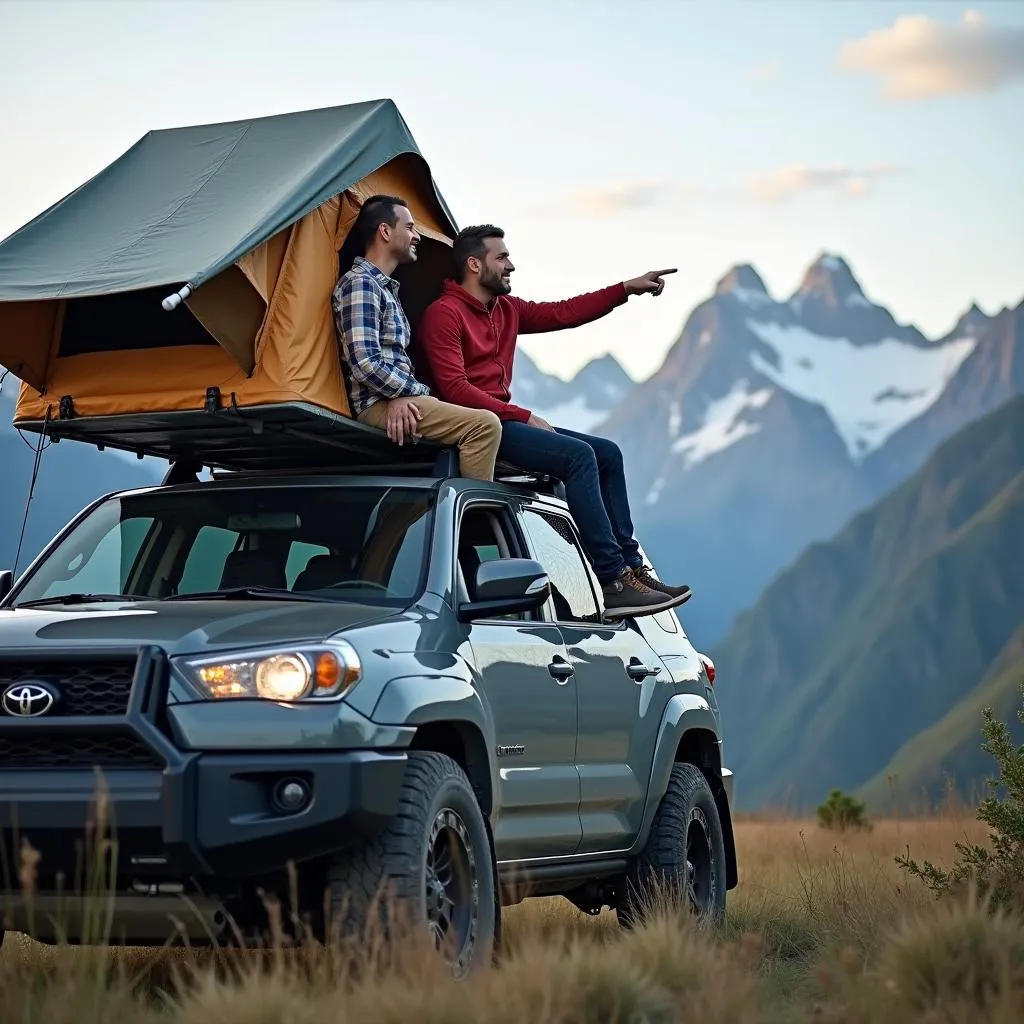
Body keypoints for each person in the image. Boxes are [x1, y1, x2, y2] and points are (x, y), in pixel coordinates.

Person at [416, 223, 692, 621]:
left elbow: (564, 313)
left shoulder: (506, 309)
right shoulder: (444, 315)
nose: (511, 265)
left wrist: (625, 289)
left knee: (608, 455)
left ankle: (632, 571)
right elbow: (455, 389)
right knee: (579, 457)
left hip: (506, 421)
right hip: (478, 428)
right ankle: (612, 581)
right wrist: (523, 415)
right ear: (474, 265)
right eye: (502, 257)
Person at [331, 196, 502, 481]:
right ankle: (474, 524)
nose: (417, 236)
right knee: (484, 426)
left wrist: (403, 394)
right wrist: (410, 391)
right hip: (374, 403)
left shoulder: (386, 289)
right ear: (385, 232)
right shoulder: (361, 284)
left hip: (392, 397)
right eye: (409, 227)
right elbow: (365, 362)